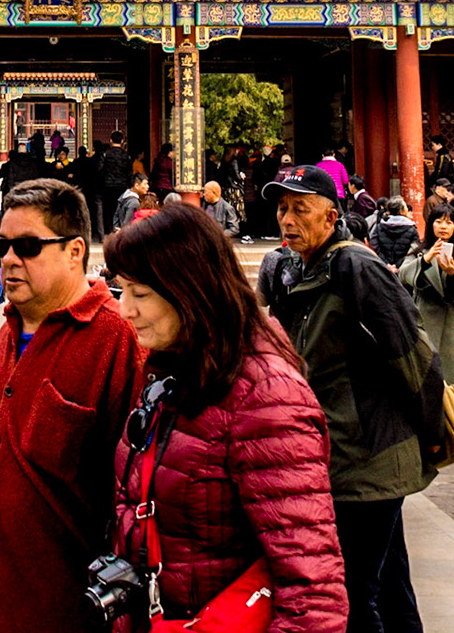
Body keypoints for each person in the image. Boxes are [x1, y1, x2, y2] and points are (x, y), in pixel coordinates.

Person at [104, 203, 347, 631]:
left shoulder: (266, 398)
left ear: (190, 289)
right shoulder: (173, 369)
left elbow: (311, 585)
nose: (125, 310)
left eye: (140, 294)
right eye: (121, 291)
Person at [263, 164, 440, 633]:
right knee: (389, 588)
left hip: (367, 456)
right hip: (340, 455)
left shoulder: (357, 269)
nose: (287, 220)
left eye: (300, 209)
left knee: (355, 596)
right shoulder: (295, 268)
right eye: (282, 209)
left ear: (330, 216)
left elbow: (414, 357)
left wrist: (433, 433)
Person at [0, 178, 143, 633]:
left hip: (67, 611)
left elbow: (134, 495)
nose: (9, 259)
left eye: (28, 246)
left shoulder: (115, 340)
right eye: (3, 246)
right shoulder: (8, 332)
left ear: (74, 251)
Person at [399, 204, 454, 402]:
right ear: (431, 224)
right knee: (424, 375)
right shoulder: (417, 251)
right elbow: (402, 275)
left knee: (452, 379)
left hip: (452, 321)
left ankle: (452, 416)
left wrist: (453, 274)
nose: (443, 227)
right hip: (424, 316)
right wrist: (426, 259)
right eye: (439, 221)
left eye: (449, 223)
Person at [366, 195, 419, 270]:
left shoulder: (379, 226)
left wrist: (386, 264)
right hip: (404, 268)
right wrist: (397, 265)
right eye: (405, 207)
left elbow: (374, 246)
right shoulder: (411, 229)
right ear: (401, 211)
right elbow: (414, 249)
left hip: (383, 268)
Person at [96, 131, 132, 241]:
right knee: (120, 209)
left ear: (110, 140)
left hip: (107, 186)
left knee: (108, 210)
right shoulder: (126, 156)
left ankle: (109, 232)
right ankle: (119, 232)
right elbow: (129, 172)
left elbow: (100, 170)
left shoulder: (106, 154)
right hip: (122, 186)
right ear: (122, 141)